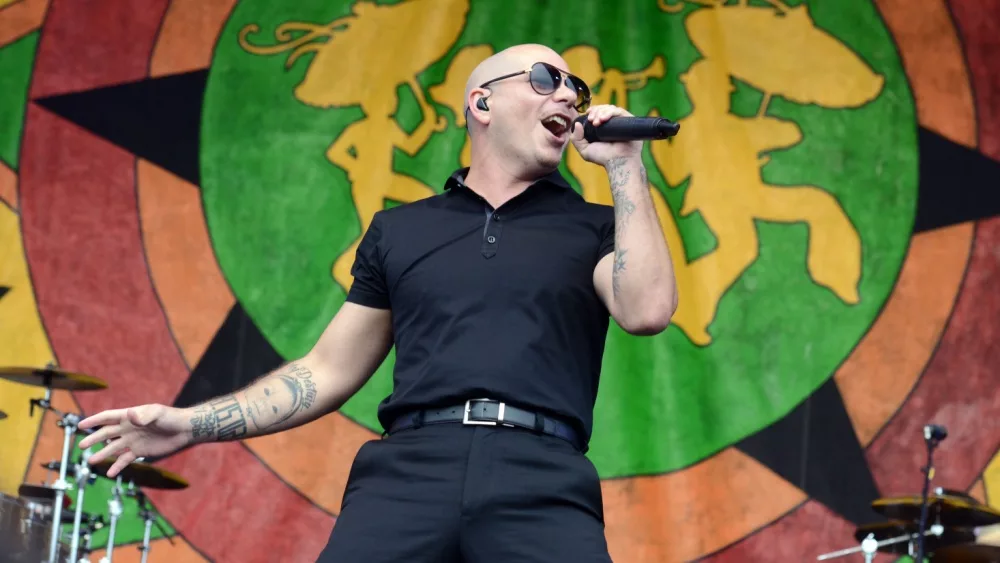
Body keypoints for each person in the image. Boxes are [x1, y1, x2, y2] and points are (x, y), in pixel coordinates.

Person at [78, 43, 678, 562]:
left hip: (543, 476)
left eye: (577, 88)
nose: (568, 98)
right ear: (482, 103)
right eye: (547, 80)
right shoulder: (401, 231)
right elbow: (326, 371)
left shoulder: (595, 228)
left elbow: (646, 310)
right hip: (410, 472)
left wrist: (625, 169)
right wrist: (189, 424)